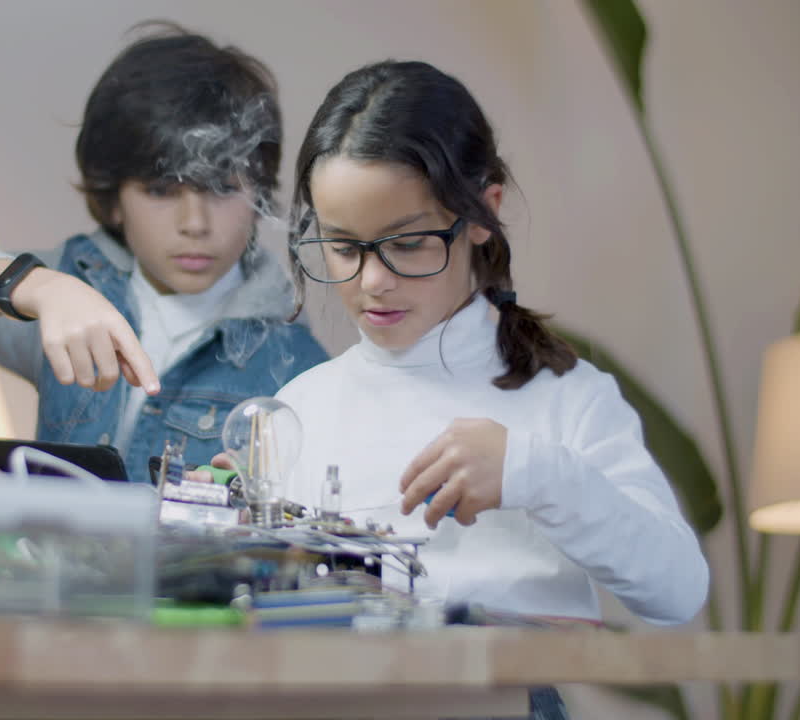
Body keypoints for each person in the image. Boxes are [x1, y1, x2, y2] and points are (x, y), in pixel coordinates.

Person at [268, 61, 708, 718]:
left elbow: (677, 590)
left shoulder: (566, 399)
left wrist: (534, 472)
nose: (371, 283)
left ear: (483, 213)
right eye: (342, 246)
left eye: (408, 244)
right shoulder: (302, 407)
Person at [0, 24, 328, 484]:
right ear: (114, 200)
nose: (194, 223)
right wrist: (41, 288)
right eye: (160, 190)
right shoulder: (78, 285)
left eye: (221, 188)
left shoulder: (298, 366)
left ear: (258, 195)